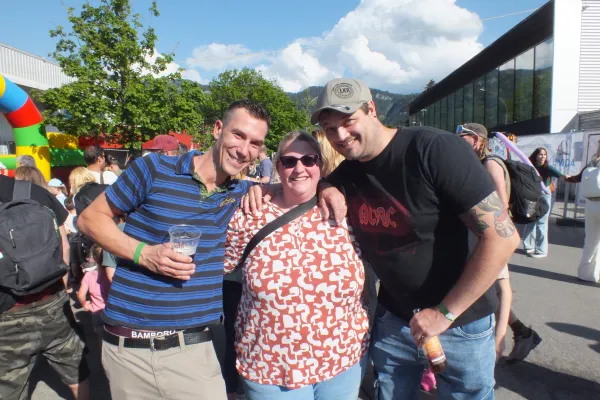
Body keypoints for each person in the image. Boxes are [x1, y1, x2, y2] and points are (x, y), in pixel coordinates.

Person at [308, 78, 519, 399]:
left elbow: (503, 238)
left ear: (372, 109)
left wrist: (444, 313)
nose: (340, 135)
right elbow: (307, 184)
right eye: (329, 128)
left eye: (348, 121)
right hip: (395, 320)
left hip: (461, 321)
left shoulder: (434, 149)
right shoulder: (349, 171)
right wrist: (325, 186)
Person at [77, 100, 271, 400]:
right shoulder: (153, 169)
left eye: (255, 143)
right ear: (217, 129)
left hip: (193, 350)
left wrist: (328, 187)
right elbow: (90, 219)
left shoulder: (240, 194)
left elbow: (298, 188)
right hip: (129, 350)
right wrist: (145, 254)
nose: (244, 150)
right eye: (238, 135)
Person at [224, 131, 369, 400]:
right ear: (278, 166)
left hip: (343, 359)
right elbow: (219, 267)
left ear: (320, 165)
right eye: (289, 161)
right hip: (269, 366)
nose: (299, 168)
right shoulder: (251, 213)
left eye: (309, 160)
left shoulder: (344, 212)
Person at [457, 123, 542, 364]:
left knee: (499, 286)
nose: (458, 140)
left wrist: (489, 236)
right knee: (486, 286)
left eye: (462, 137)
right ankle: (522, 333)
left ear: (476, 140)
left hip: (495, 235)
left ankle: (499, 341)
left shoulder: (491, 163)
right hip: (485, 235)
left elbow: (501, 203)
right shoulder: (478, 163)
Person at [0, 175, 90, 400]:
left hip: (6, 312)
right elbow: (63, 245)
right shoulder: (32, 191)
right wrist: (61, 287)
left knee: (9, 386)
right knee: (75, 370)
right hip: (52, 299)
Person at [521, 147, 568, 258]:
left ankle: (541, 250)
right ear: (535, 156)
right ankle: (528, 246)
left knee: (541, 222)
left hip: (544, 195)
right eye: (540, 154)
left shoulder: (548, 168)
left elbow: (562, 175)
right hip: (532, 195)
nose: (543, 157)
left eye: (545, 154)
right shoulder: (529, 166)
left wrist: (575, 177)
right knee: (530, 220)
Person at [566, 148, 600, 282]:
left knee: (591, 241)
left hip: (591, 204)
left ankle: (586, 274)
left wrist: (568, 178)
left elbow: (578, 178)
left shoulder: (593, 162)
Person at [77, 244, 110, 348]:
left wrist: (84, 304)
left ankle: (101, 354)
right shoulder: (112, 275)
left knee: (100, 338)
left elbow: (81, 294)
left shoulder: (89, 275)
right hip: (110, 313)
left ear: (94, 258)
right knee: (111, 340)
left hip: (96, 314)